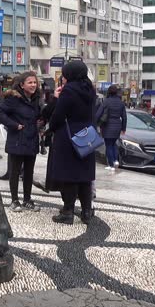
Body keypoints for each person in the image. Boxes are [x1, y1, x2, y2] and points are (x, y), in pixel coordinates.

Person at [48, 61, 97, 225]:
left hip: (68, 137)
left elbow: (58, 114)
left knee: (68, 175)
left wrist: (52, 128)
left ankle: (68, 212)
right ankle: (87, 212)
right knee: (85, 176)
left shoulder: (69, 90)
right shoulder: (90, 89)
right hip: (87, 135)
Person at [0, 71, 41, 212]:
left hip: (31, 139)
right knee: (14, 171)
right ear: (22, 84)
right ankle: (14, 200)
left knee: (29, 172)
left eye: (34, 82)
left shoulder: (36, 98)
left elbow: (38, 115)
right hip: (17, 139)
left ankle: (27, 199)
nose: (33, 85)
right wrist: (13, 124)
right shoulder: (13, 98)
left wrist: (41, 123)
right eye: (30, 82)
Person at [95, 84, 127, 171]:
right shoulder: (121, 103)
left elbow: (98, 114)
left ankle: (111, 164)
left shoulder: (106, 101)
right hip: (117, 125)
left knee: (108, 145)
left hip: (107, 125)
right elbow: (124, 116)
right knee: (114, 144)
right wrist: (123, 128)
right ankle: (116, 160)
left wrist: (95, 122)